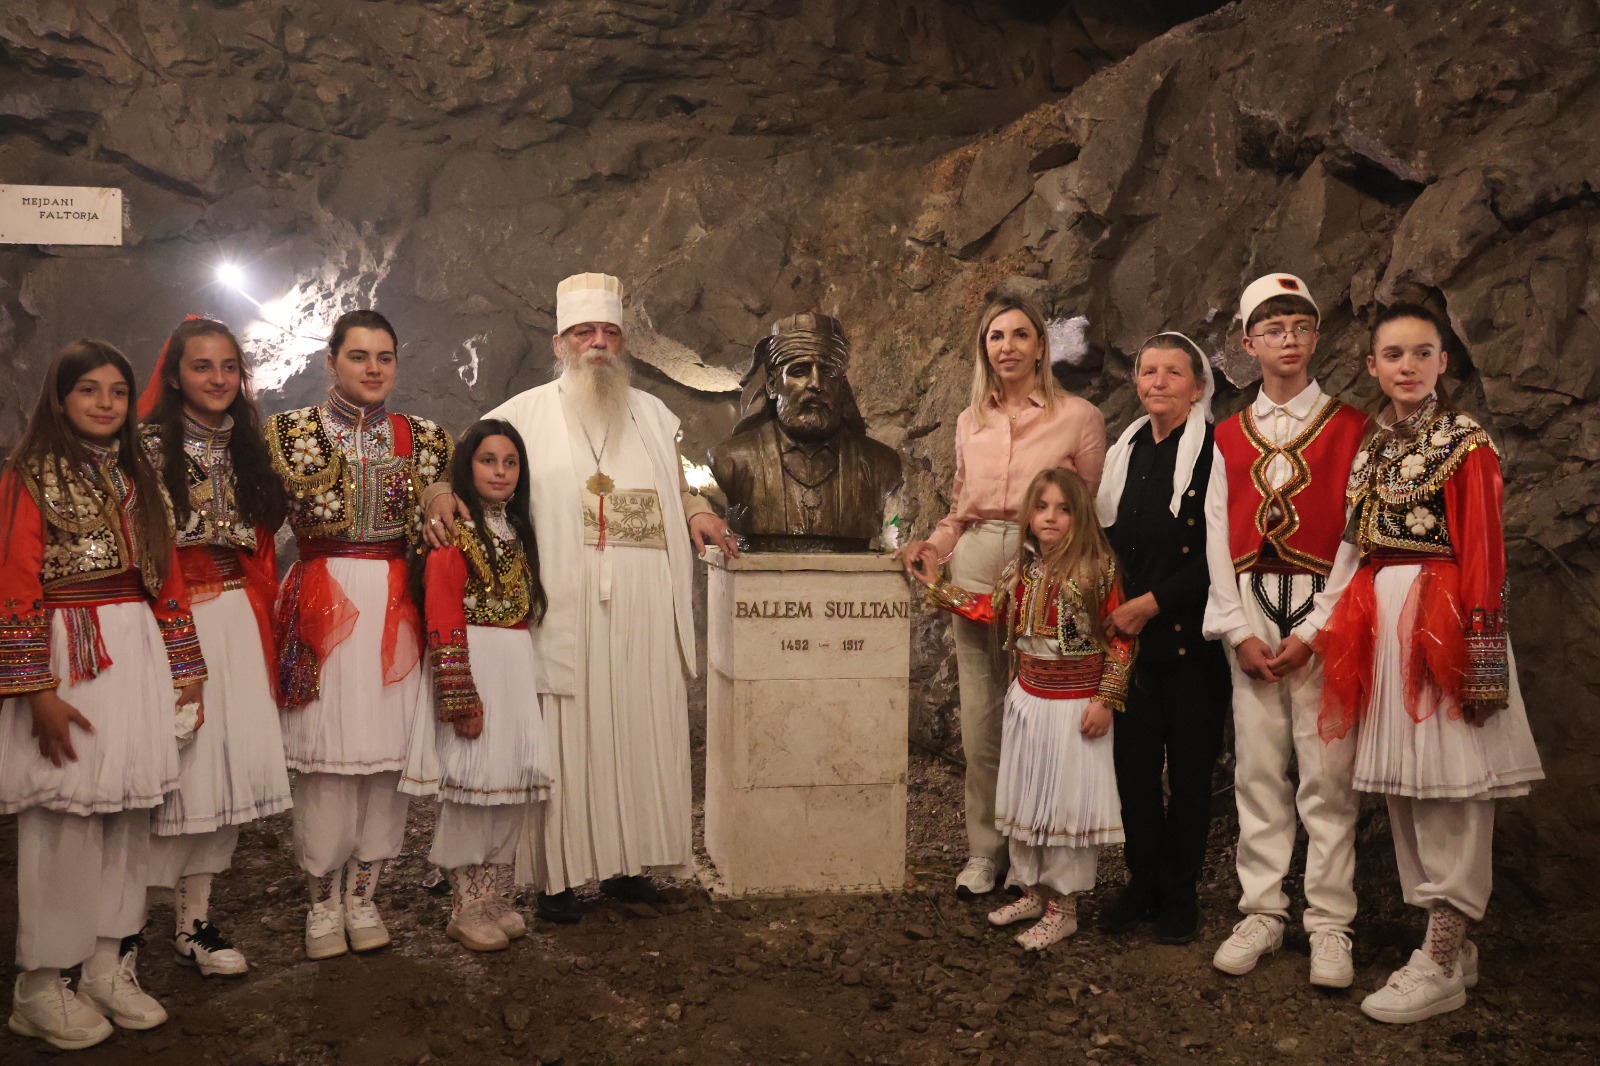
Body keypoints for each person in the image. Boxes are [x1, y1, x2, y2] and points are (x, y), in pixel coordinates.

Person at [423, 272, 738, 923]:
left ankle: (630, 865)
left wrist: (696, 508)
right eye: (583, 332)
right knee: (568, 738)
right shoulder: (521, 413)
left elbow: (675, 484)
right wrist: (437, 494)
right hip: (563, 600)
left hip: (642, 604)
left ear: (622, 343)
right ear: (559, 342)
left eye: (609, 333)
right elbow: (463, 469)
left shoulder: (653, 414)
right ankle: (557, 878)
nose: (597, 343)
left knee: (641, 728)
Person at [1315, 304, 1543, 1023]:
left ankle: (1441, 957)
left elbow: (1484, 552)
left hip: (1443, 622)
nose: (1407, 366)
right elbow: (1353, 546)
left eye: (1422, 353)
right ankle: (1451, 946)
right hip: (1383, 622)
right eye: (1393, 354)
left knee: (1450, 782)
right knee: (1409, 785)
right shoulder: (1372, 448)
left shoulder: (1465, 442)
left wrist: (1480, 659)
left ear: (1444, 362)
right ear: (1373, 366)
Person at [0, 341, 206, 1049]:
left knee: (128, 814)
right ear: (60, 399)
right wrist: (37, 692)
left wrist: (187, 666)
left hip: (137, 653)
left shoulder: (138, 477)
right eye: (88, 389)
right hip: (69, 658)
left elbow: (168, 580)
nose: (105, 403)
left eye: (118, 391)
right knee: (64, 819)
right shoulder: (28, 477)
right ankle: (38, 985)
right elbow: (13, 586)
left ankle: (103, 967)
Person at [898, 293, 1107, 899]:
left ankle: (1035, 854)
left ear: (1041, 346)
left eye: (1020, 335)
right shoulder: (971, 420)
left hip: (1047, 565)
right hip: (975, 562)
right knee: (982, 720)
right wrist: (933, 545)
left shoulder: (1079, 417)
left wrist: (1063, 572)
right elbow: (960, 511)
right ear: (984, 349)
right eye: (996, 336)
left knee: (1042, 717)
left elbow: (1087, 510)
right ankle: (984, 852)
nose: (1007, 346)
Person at [266, 310, 454, 960]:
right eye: (358, 356)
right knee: (325, 763)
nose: (373, 368)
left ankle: (364, 897)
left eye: (384, 357)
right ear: (332, 362)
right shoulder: (289, 433)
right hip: (323, 603)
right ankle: (321, 905)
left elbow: (449, 515)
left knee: (386, 761)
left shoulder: (427, 439)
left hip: (398, 611)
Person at [1202, 273, 1369, 988]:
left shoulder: (1352, 427)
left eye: (1300, 327)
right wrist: (1236, 631)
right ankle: (1263, 911)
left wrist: (1322, 627)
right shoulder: (1226, 436)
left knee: (1328, 776)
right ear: (1248, 345)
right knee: (1258, 769)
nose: (1289, 341)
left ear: (1317, 337)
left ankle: (1330, 923)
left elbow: (1358, 536)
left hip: (1323, 608)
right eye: (1273, 330)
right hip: (1253, 605)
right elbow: (1216, 535)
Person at [915, 468, 1131, 950]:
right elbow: (995, 612)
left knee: (1063, 806)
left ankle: (1064, 909)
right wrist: (940, 587)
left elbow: (1121, 638)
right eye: (1042, 507)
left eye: (1064, 509)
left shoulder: (1097, 570)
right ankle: (1034, 891)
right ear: (1028, 515)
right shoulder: (1024, 569)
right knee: (1027, 797)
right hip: (1028, 699)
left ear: (1081, 515)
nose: (1050, 518)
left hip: (1073, 707)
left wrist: (1105, 700)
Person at [138, 317, 292, 977]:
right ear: (175, 376)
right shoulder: (144, 448)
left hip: (236, 614)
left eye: (229, 366)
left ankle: (193, 923)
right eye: (202, 366)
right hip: (168, 619)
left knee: (222, 770)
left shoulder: (251, 446)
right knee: (170, 774)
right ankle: (119, 937)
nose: (218, 378)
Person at [1096, 333, 1230, 944]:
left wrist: (1150, 604)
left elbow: (1220, 555)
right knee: (1134, 771)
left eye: (1173, 372)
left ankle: (1180, 895)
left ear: (1198, 387)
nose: (1158, 382)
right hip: (1131, 644)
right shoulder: (1124, 452)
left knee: (1192, 776)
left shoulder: (1215, 453)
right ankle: (1142, 882)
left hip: (1193, 641)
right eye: (1148, 371)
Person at [421, 419, 552, 951]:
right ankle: (465, 905)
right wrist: (459, 693)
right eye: (488, 460)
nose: (500, 471)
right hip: (474, 661)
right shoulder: (453, 529)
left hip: (514, 663)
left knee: (508, 785)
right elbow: (442, 608)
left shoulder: (517, 530)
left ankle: (494, 895)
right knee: (472, 788)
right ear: (466, 466)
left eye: (510, 462)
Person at [708, 312, 902, 550]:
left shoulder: (880, 463)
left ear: (841, 386)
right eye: (799, 371)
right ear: (772, 385)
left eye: (828, 372)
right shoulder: (732, 459)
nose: (815, 384)